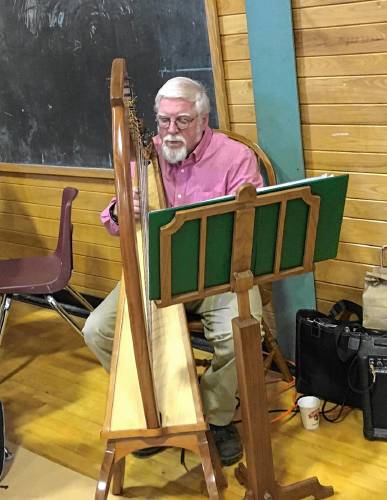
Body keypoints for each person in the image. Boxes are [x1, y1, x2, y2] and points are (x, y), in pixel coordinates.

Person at [83, 77, 263, 466]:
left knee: (240, 333)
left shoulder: (235, 158)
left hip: (215, 274)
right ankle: (161, 402)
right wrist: (119, 212)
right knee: (96, 329)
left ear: (203, 119)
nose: (170, 131)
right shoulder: (146, 157)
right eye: (163, 121)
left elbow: (251, 228)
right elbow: (113, 221)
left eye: (181, 121)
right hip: (157, 271)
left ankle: (215, 418)